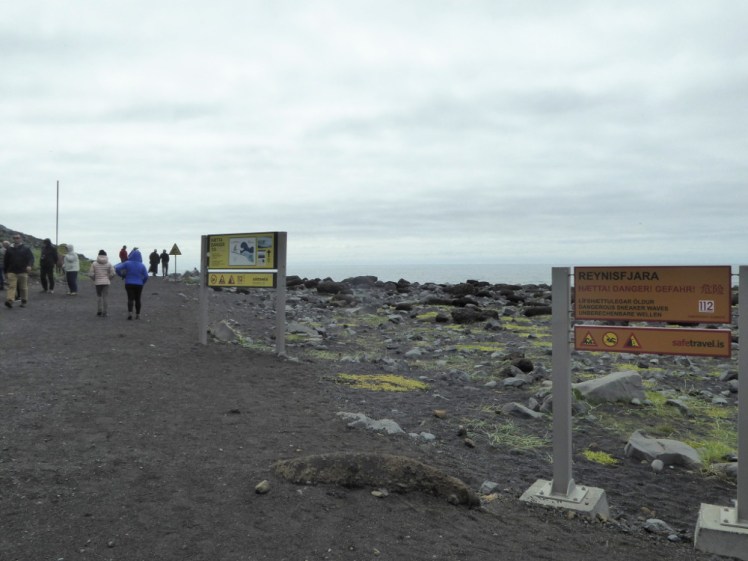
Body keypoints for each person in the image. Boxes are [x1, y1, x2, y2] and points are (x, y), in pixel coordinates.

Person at [115, 248, 148, 320]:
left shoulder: (127, 263)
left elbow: (117, 268)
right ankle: (138, 315)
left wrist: (121, 275)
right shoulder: (142, 265)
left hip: (129, 283)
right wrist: (143, 282)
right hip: (139, 284)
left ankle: (130, 313)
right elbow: (146, 276)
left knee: (130, 299)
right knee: (138, 299)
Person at [4, 233, 34, 308]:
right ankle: (10, 301)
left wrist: (29, 265)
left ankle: (24, 300)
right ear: (13, 239)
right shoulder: (9, 249)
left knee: (23, 287)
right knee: (12, 286)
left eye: (17, 238)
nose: (16, 239)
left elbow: (31, 258)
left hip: (23, 271)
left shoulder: (26, 248)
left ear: (20, 239)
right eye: (15, 238)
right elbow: (6, 261)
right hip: (11, 271)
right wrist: (5, 272)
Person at [88, 250, 116, 317]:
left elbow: (91, 274)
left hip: (98, 282)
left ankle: (99, 311)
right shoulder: (109, 263)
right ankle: (105, 312)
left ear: (98, 255)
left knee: (99, 296)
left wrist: (94, 279)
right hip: (106, 282)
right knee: (105, 297)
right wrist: (109, 278)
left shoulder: (94, 263)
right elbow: (113, 273)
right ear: (106, 255)